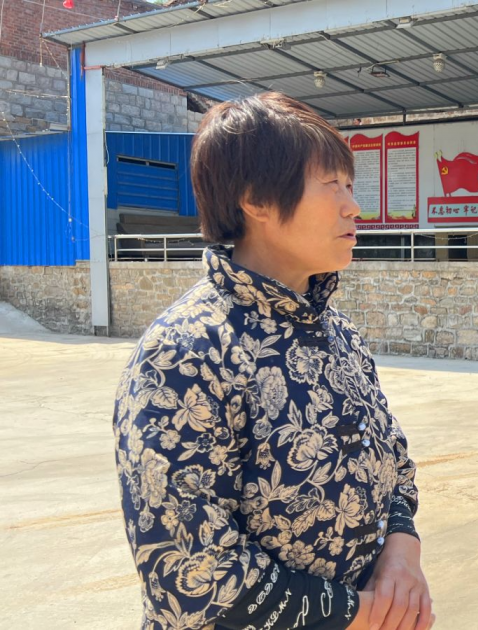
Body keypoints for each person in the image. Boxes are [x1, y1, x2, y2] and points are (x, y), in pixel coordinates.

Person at [112, 92, 434, 630]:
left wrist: (401, 554)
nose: (354, 207)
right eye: (331, 185)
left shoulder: (336, 331)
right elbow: (189, 574)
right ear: (256, 200)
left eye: (350, 185)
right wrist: (355, 614)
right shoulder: (184, 354)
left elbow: (392, 464)